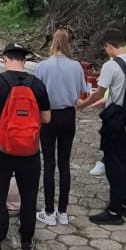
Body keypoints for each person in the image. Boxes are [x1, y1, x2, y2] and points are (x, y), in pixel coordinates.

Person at [0, 42, 51, 250]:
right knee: (29, 195)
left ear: (4, 59)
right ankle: (27, 241)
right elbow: (46, 118)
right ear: (24, 61)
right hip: (30, 150)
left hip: (0, 149)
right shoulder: (37, 84)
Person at [76, 28, 126, 226]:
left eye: (106, 49)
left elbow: (98, 93)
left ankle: (114, 210)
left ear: (109, 46)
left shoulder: (111, 66)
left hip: (116, 121)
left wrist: (82, 105)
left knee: (114, 165)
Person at [32, 30, 90, 225]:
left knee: (49, 163)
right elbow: (83, 91)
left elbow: (36, 92)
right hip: (68, 115)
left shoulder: (42, 67)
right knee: (64, 163)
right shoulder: (76, 66)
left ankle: (48, 211)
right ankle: (62, 211)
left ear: (52, 43)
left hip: (48, 115)